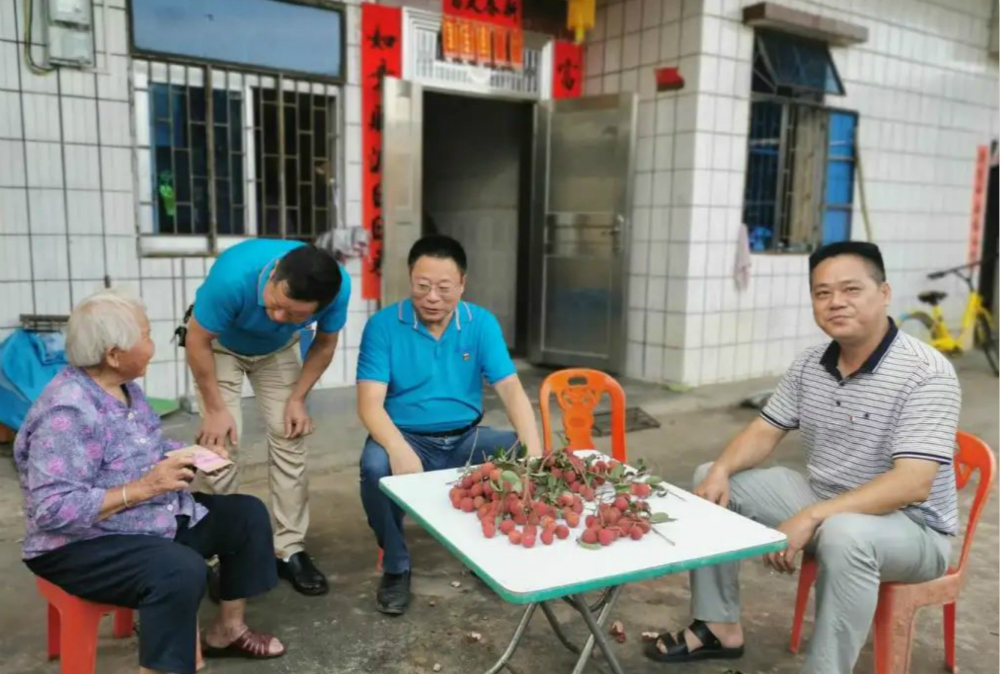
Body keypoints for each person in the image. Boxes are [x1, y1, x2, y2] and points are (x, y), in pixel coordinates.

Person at [647, 242, 959, 674]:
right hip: (826, 499)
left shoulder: (927, 373)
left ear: (884, 293)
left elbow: (913, 483)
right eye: (822, 292)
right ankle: (718, 626)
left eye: (851, 289)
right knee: (711, 481)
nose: (836, 303)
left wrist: (812, 516)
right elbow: (764, 430)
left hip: (912, 528)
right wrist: (721, 468)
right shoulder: (811, 363)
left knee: (846, 535)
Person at [15, 289, 285, 674]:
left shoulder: (126, 388)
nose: (152, 346)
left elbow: (145, 446)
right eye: (145, 335)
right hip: (79, 544)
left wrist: (191, 453)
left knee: (246, 515)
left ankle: (228, 630)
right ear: (113, 353)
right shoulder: (68, 412)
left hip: (143, 518)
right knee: (180, 569)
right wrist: (146, 487)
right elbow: (52, 510)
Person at [357, 234, 541, 615]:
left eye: (443, 288)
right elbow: (369, 405)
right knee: (375, 466)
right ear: (410, 279)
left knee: (522, 454)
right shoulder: (383, 326)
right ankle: (396, 565)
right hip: (408, 437)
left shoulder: (481, 323)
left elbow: (510, 390)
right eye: (422, 286)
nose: (432, 298)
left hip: (466, 440)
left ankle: (491, 554)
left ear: (462, 284)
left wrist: (534, 451)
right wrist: (397, 447)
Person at [185, 239, 350, 596]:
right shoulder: (233, 277)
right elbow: (196, 339)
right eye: (275, 305)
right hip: (220, 348)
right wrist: (215, 410)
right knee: (221, 447)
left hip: (278, 351)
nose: (278, 318)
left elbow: (324, 343)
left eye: (295, 315)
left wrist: (298, 398)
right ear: (274, 275)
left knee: (290, 435)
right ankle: (218, 553)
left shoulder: (338, 288)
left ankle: (289, 548)